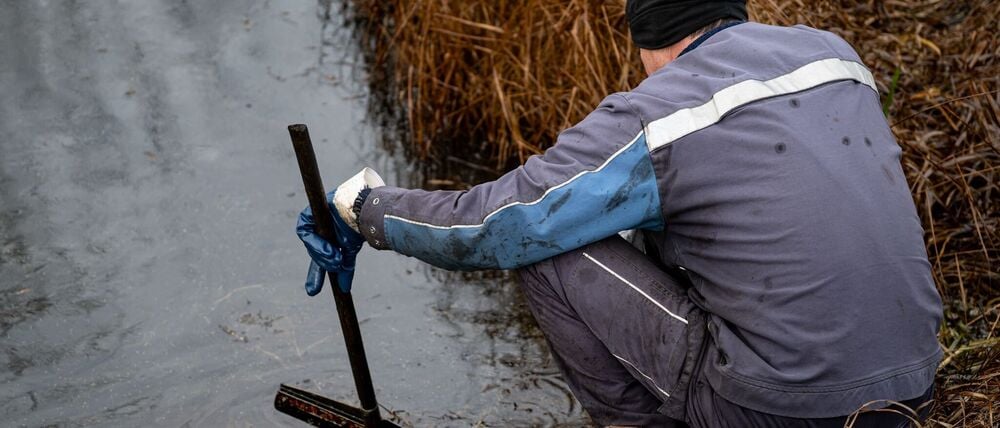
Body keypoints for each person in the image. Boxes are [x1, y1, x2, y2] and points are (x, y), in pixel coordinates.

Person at [296, 0, 943, 426]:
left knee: (549, 247)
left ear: (648, 36)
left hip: (785, 412)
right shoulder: (835, 58)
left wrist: (365, 210)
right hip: (911, 388)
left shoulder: (659, 113)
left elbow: (498, 225)